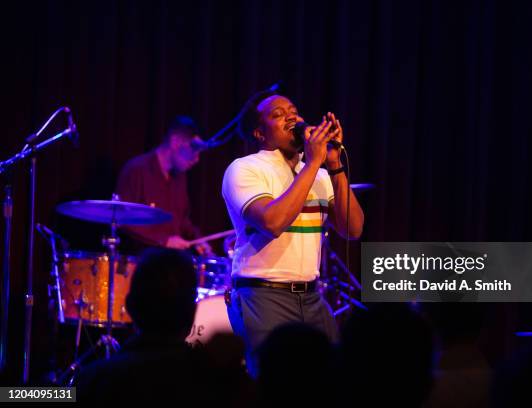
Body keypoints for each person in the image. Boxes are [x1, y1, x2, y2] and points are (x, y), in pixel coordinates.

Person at [222, 90, 364, 376]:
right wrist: (313, 163)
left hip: (312, 297)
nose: (292, 117)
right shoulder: (245, 169)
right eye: (277, 114)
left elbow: (353, 229)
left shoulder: (320, 175)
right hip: (263, 295)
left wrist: (333, 163)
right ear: (259, 134)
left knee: (330, 381)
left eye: (294, 111)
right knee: (273, 385)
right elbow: (273, 222)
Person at [76, 248, 251, 403]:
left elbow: (53, 396)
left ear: (130, 306)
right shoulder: (220, 383)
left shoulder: (93, 380)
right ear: (192, 311)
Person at [115, 115, 211, 254]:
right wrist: (163, 241)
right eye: (194, 149)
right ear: (175, 141)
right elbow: (123, 220)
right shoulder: (136, 170)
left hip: (170, 263)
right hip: (139, 264)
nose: (197, 159)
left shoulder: (180, 176)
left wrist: (198, 239)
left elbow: (181, 221)